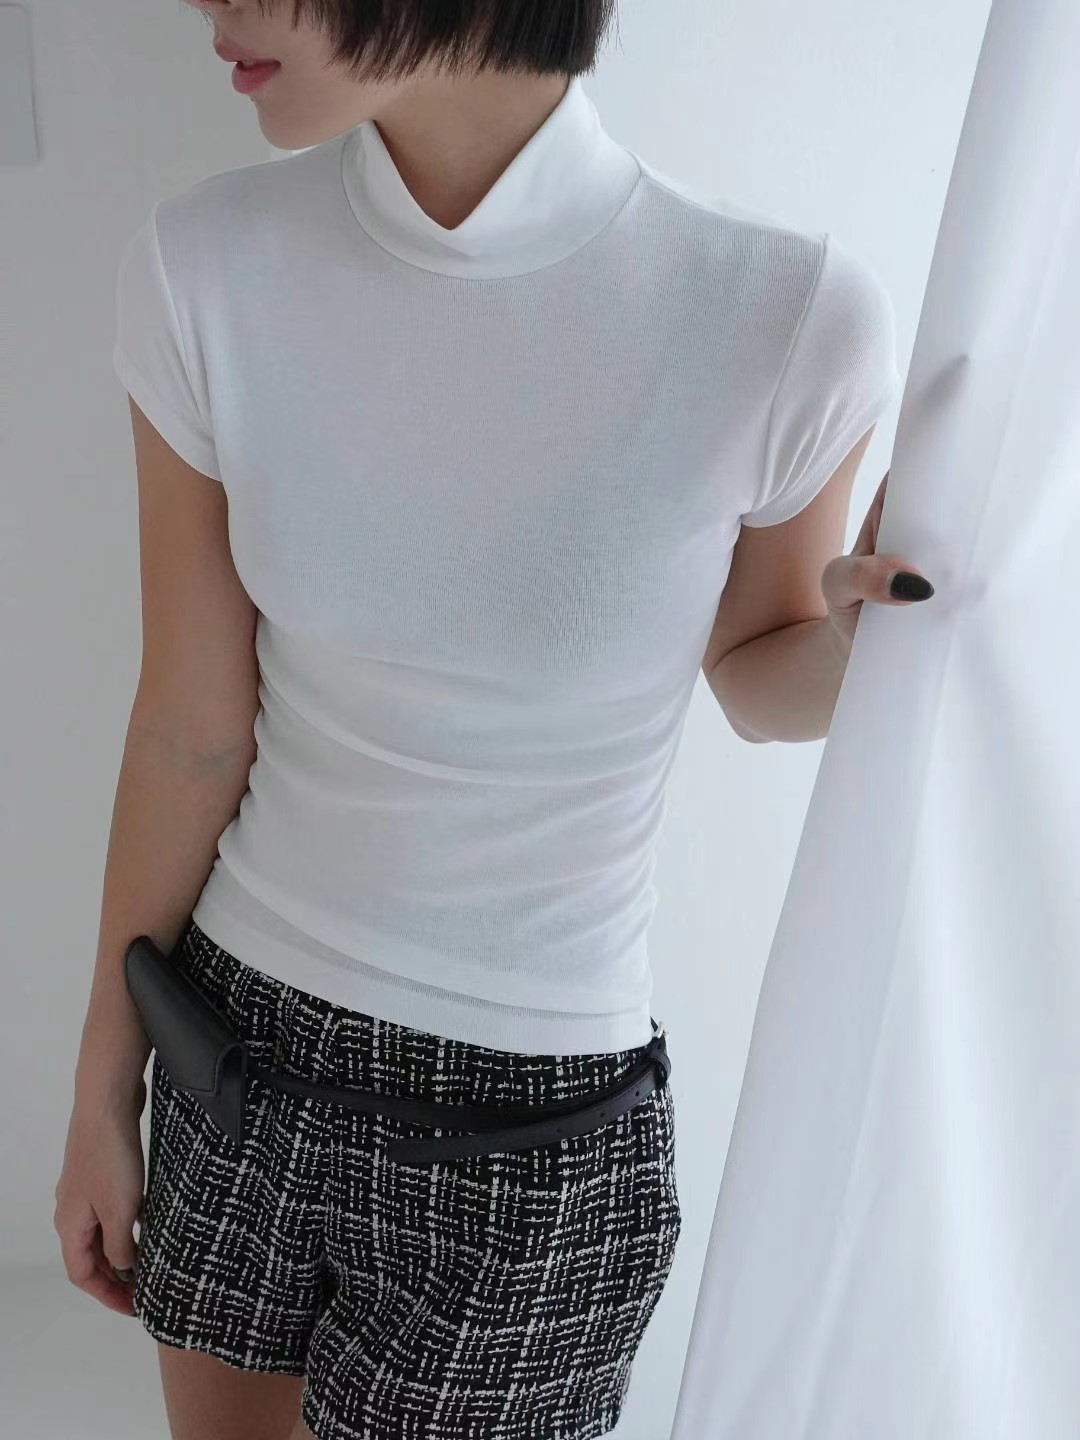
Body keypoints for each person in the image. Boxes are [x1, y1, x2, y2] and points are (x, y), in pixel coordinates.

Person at [53, 3, 926, 1439]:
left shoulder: (780, 313)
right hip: (233, 1056)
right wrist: (104, 1085)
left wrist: (875, 651)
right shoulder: (205, 265)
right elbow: (191, 726)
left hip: (531, 1135)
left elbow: (761, 669)